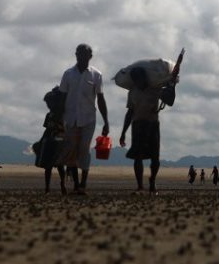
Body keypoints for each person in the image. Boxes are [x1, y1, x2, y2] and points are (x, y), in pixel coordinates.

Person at [59, 44, 109, 195]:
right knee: (72, 150)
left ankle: (83, 183)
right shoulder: (68, 74)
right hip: (70, 118)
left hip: (88, 119)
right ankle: (75, 184)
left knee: (84, 150)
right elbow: (62, 97)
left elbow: (100, 98)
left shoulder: (96, 75)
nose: (82, 56)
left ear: (90, 56)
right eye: (79, 53)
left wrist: (106, 121)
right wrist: (58, 119)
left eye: (85, 54)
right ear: (76, 55)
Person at [120, 67, 176, 195]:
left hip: (152, 125)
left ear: (145, 77)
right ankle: (140, 186)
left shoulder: (154, 89)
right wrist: (123, 132)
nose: (139, 81)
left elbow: (170, 101)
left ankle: (152, 182)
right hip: (137, 125)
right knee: (137, 157)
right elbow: (130, 112)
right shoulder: (132, 92)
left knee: (155, 157)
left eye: (141, 78)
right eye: (136, 79)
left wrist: (172, 86)